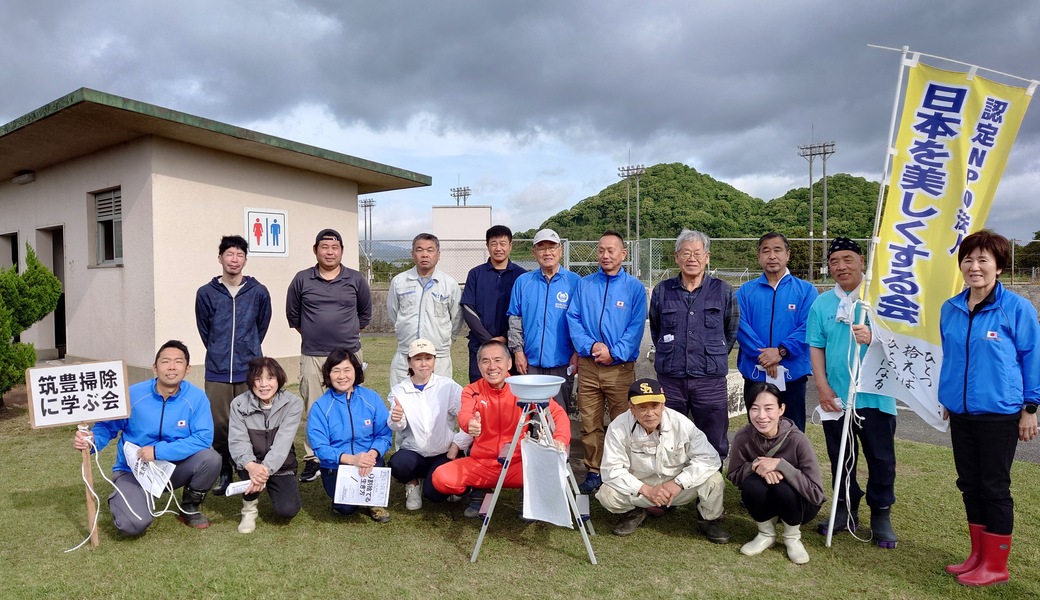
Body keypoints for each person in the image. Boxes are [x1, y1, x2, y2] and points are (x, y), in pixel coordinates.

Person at [938, 230, 1040, 587]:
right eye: (968, 259)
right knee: (969, 483)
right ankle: (978, 555)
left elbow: (1032, 358)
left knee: (994, 486)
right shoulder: (950, 308)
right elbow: (951, 357)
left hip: (1000, 413)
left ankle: (996, 565)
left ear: (998, 266)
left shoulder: (1016, 308)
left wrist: (1031, 407)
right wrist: (950, 396)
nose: (974, 266)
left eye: (983, 259)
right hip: (962, 412)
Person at [71, 341, 220, 535]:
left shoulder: (197, 397)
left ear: (188, 368)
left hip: (171, 470)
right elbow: (107, 427)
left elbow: (203, 439)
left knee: (211, 458)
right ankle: (125, 496)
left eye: (178, 362)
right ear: (155, 367)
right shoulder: (132, 394)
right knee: (133, 525)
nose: (172, 367)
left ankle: (189, 507)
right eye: (165, 361)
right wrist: (90, 441)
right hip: (133, 471)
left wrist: (158, 451)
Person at [807, 237, 899, 548]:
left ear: (861, 260)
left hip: (876, 395)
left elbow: (901, 343)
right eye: (835, 261)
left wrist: (874, 336)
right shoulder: (822, 303)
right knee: (841, 457)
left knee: (881, 458)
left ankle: (881, 513)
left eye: (848, 259)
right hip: (836, 396)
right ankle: (846, 509)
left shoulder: (882, 299)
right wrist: (821, 386)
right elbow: (816, 346)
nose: (841, 266)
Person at [431, 340, 571, 518]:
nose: (492, 367)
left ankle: (528, 494)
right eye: (486, 361)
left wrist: (560, 438)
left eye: (498, 360)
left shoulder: (524, 388)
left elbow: (558, 414)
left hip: (518, 463)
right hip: (482, 464)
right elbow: (465, 414)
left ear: (509, 363)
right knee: (441, 477)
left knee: (555, 472)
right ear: (479, 365)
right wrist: (469, 424)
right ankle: (479, 491)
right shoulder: (471, 390)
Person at [286, 228, 372, 484]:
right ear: (315, 250)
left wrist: (343, 334)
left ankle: (349, 451)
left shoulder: (355, 279)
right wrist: (315, 333)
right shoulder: (302, 279)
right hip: (313, 353)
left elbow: (365, 315)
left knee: (349, 404)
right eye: (324, 247)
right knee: (314, 407)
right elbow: (293, 316)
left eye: (335, 247)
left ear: (342, 251)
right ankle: (314, 459)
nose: (330, 252)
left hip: (348, 354)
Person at [596, 378, 729, 542]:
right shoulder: (618, 427)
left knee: (714, 479)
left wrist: (678, 483)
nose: (650, 413)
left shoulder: (682, 424)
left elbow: (710, 458)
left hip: (677, 488)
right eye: (642, 407)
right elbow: (611, 470)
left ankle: (709, 520)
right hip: (641, 489)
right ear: (631, 408)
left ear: (663, 404)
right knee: (606, 493)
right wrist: (646, 489)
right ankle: (633, 513)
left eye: (654, 406)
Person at [567, 231, 646, 494]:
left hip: (620, 368)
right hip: (589, 367)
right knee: (590, 422)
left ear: (623, 254)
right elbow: (574, 319)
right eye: (601, 250)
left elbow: (635, 328)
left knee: (623, 421)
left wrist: (615, 352)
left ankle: (622, 470)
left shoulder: (634, 287)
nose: (606, 255)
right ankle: (593, 470)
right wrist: (590, 346)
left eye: (612, 250)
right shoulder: (585, 284)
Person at [649, 229, 739, 461]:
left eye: (697, 253)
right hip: (672, 377)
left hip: (709, 379)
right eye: (686, 253)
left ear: (707, 257)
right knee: (670, 433)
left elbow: (730, 330)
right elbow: (657, 329)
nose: (692, 259)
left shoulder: (723, 290)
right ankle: (675, 483)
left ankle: (710, 485)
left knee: (714, 433)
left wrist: (711, 353)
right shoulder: (662, 291)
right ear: (676, 257)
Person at [195, 234, 272, 495]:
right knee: (220, 423)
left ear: (245, 260)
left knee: (249, 420)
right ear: (220, 258)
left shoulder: (258, 292)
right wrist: (219, 349)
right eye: (229, 254)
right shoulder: (206, 293)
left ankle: (246, 466)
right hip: (217, 369)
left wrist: (248, 349)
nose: (234, 259)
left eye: (239, 255)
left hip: (248, 368)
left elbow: (261, 326)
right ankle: (224, 467)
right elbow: (205, 330)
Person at [728, 382, 825, 564]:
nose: (761, 416)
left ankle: (792, 538)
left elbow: (816, 493)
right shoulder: (743, 437)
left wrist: (782, 466)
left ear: (781, 409)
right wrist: (757, 466)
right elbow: (734, 475)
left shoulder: (798, 439)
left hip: (801, 506)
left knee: (781, 485)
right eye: (755, 409)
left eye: (769, 408)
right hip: (767, 502)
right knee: (752, 483)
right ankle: (766, 534)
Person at [736, 232, 818, 432]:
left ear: (787, 255)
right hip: (756, 374)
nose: (772, 256)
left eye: (777, 250)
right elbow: (740, 326)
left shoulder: (806, 290)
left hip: (792, 376)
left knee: (792, 431)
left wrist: (781, 351)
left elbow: (808, 327)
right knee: (758, 428)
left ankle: (790, 465)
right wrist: (764, 356)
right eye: (766, 251)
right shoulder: (746, 292)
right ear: (759, 257)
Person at [307, 347, 393, 522]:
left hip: (370, 462)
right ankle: (342, 500)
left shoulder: (372, 398)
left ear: (356, 371)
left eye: (347, 370)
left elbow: (384, 434)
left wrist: (372, 454)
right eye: (336, 371)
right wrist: (352, 460)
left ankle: (374, 503)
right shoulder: (320, 406)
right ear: (328, 374)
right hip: (337, 466)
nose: (342, 376)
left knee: (370, 489)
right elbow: (320, 447)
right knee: (346, 509)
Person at [387, 338, 471, 510]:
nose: (423, 364)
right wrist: (396, 418)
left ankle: (438, 482)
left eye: (428, 358)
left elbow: (468, 417)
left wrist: (457, 444)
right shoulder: (400, 390)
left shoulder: (447, 386)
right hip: (414, 451)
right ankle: (413, 484)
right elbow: (398, 427)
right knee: (398, 464)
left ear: (434, 361)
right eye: (418, 359)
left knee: (434, 495)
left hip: (444, 452)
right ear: (409, 362)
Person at [507, 228, 581, 414]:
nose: (547, 252)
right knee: (529, 415)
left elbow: (581, 321)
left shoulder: (575, 282)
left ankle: (561, 445)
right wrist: (517, 351)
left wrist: (577, 352)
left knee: (558, 416)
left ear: (561, 250)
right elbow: (515, 319)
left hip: (562, 363)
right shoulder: (524, 282)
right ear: (534, 253)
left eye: (552, 247)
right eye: (541, 248)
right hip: (530, 363)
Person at [228, 357, 304, 534]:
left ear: (279, 379)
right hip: (251, 462)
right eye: (258, 378)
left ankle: (270, 485)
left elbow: (282, 443)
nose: (264, 384)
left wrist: (263, 472)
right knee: (245, 465)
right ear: (250, 380)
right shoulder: (238, 404)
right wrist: (251, 466)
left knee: (287, 510)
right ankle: (249, 509)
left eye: (270, 378)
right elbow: (238, 441)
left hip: (280, 463)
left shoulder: (293, 403)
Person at [387, 233, 462, 388]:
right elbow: (393, 312)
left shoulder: (449, 284)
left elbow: (456, 318)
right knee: (403, 404)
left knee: (439, 405)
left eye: (430, 250)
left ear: (438, 255)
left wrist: (446, 340)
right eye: (420, 250)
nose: (425, 254)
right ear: (413, 254)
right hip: (406, 354)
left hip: (439, 356)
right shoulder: (400, 282)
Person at [461, 225, 527, 382]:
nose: (498, 248)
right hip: (480, 346)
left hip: (512, 348)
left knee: (513, 396)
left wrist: (505, 337)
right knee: (481, 394)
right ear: (487, 246)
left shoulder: (522, 277)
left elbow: (525, 313)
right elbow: (468, 308)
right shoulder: (476, 274)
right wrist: (488, 340)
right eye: (493, 243)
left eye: (503, 243)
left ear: (510, 246)